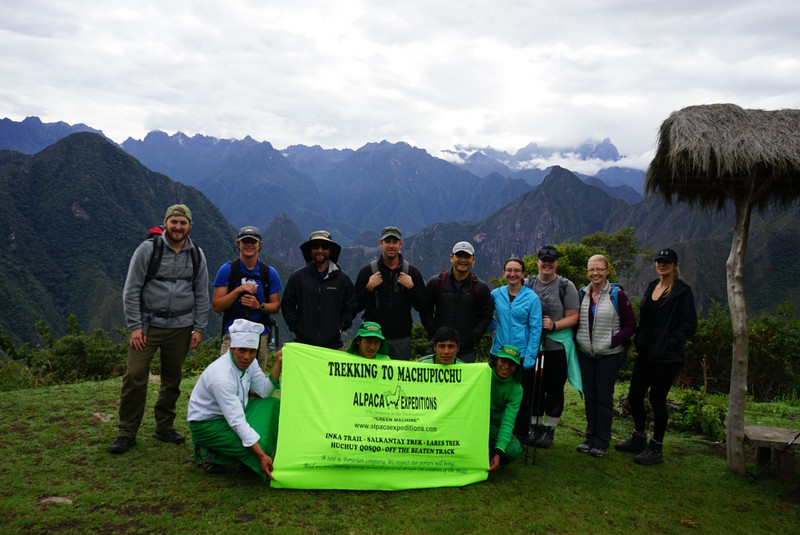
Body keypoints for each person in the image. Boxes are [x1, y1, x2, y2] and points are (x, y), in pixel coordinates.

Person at [109, 204, 210, 454]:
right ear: (165, 222)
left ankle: (164, 427)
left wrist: (198, 327)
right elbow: (131, 289)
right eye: (174, 222)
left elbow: (201, 292)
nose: (178, 226)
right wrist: (134, 327)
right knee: (134, 376)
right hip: (147, 326)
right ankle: (127, 432)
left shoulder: (197, 254)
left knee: (172, 378)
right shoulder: (148, 250)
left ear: (190, 226)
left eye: (183, 223)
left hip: (181, 327)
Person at [616, 248, 697, 465]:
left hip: (667, 356)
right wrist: (640, 339)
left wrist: (670, 342)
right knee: (634, 396)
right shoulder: (653, 286)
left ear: (675, 265)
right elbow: (646, 317)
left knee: (657, 400)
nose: (662, 265)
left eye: (667, 262)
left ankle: (657, 446)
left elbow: (689, 324)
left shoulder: (682, 291)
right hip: (646, 353)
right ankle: (639, 436)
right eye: (659, 262)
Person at [187, 319, 282, 481]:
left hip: (232, 416)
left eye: (252, 352)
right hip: (207, 424)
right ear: (232, 349)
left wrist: (279, 362)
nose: (247, 357)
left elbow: (265, 392)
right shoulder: (222, 377)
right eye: (242, 351)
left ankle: (229, 452)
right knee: (254, 449)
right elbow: (237, 421)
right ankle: (206, 452)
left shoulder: (249, 363)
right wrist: (260, 455)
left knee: (272, 403)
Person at [575, 254, 636, 457]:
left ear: (607, 270)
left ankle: (602, 441)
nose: (595, 273)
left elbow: (631, 325)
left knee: (603, 398)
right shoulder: (581, 294)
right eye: (591, 269)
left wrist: (613, 341)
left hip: (609, 355)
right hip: (586, 354)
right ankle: (589, 437)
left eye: (599, 269)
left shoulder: (617, 295)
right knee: (590, 397)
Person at [523, 245, 581, 448]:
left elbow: (574, 317)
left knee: (554, 388)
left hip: (557, 347)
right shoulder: (528, 284)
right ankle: (534, 426)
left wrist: (554, 325)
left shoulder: (566, 286)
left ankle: (549, 430)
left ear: (556, 263)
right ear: (538, 261)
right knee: (533, 388)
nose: (547, 263)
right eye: (543, 260)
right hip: (533, 346)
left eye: (551, 260)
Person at [212, 226, 282, 371]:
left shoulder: (269, 273)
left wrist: (259, 306)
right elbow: (217, 305)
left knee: (256, 381)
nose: (249, 245)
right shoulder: (228, 270)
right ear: (238, 244)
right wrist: (238, 290)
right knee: (228, 378)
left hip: (260, 334)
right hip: (233, 332)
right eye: (245, 242)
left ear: (259, 245)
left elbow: (275, 306)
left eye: (253, 242)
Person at [489, 258, 543, 443]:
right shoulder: (496, 294)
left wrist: (529, 358)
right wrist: (492, 330)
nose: (513, 274)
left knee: (523, 396)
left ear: (523, 274)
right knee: (495, 393)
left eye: (517, 270)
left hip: (521, 354)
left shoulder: (531, 297)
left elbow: (536, 328)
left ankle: (520, 434)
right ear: (503, 273)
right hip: (499, 351)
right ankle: (495, 430)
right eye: (509, 270)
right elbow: (486, 314)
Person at [354, 226, 427, 360]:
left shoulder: (412, 272)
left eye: (395, 242)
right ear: (381, 243)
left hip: (401, 338)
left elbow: (423, 306)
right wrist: (368, 288)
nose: (391, 246)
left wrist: (411, 288)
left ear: (401, 244)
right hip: (373, 338)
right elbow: (355, 306)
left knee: (398, 379)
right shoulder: (367, 272)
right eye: (388, 242)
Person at [281, 230, 358, 349]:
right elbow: (287, 305)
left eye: (325, 246)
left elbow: (352, 306)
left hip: (332, 346)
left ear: (331, 250)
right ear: (310, 250)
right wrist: (297, 328)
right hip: (303, 345)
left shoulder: (342, 279)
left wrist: (340, 326)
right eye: (315, 246)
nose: (320, 250)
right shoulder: (298, 277)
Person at [421, 241, 494, 363]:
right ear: (451, 258)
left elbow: (486, 315)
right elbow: (425, 310)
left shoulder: (480, 288)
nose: (463, 260)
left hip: (465, 350)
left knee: (464, 382)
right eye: (459, 256)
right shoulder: (437, 282)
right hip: (439, 348)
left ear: (473, 260)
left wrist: (474, 337)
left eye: (467, 257)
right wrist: (434, 332)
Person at [488, 344, 524, 472]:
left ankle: (491, 459)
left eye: (512, 364)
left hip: (494, 427)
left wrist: (499, 452)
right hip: (474, 423)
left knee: (513, 450)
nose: (506, 367)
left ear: (517, 367)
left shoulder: (516, 389)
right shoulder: (482, 374)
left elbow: (508, 421)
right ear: (496, 360)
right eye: (503, 361)